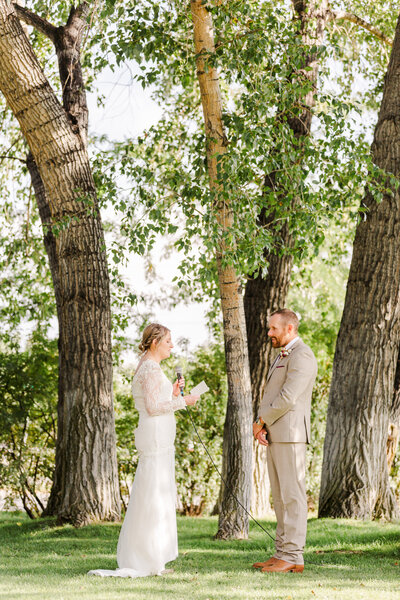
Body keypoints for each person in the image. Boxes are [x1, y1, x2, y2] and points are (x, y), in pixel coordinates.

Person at [89, 323, 199, 578]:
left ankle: (154, 558)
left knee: (157, 494)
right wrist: (184, 400)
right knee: (152, 494)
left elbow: (158, 401)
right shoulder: (149, 367)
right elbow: (151, 407)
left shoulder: (150, 366)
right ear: (154, 342)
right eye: (168, 341)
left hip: (159, 435)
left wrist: (172, 394)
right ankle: (145, 558)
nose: (172, 346)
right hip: (155, 436)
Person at [252, 309, 317, 573]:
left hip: (291, 436)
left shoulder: (302, 355)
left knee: (292, 497)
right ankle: (281, 553)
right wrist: (264, 424)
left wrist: (260, 420)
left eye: (274, 329)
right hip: (277, 433)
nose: (269, 333)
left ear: (290, 329)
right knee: (279, 498)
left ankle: (293, 556)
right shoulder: (282, 354)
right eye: (269, 328)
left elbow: (288, 397)